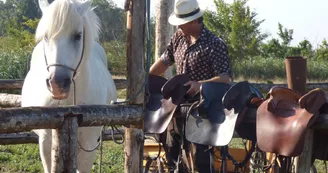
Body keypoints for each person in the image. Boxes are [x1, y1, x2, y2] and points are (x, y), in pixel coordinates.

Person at [149, 0, 232, 172]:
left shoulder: (214, 44)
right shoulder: (178, 38)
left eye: (182, 23)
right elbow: (164, 62)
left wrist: (199, 84)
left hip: (202, 109)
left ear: (194, 21)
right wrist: (146, 77)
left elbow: (225, 78)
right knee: (172, 156)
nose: (179, 26)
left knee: (200, 161)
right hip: (177, 107)